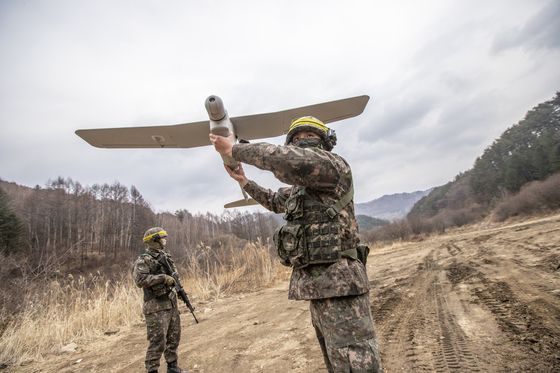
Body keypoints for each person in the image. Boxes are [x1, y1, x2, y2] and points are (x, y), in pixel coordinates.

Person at [210, 116, 383, 372]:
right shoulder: (304, 190)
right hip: (321, 289)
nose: (304, 143)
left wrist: (234, 149)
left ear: (322, 143)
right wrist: (245, 182)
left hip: (342, 288)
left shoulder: (332, 167)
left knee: (356, 365)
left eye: (308, 138)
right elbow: (275, 200)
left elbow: (287, 160)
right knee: (340, 364)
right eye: (299, 139)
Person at [133, 227, 188, 373]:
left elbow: (174, 276)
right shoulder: (143, 259)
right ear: (154, 241)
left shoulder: (165, 256)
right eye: (162, 237)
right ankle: (152, 370)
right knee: (157, 342)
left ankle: (173, 367)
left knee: (173, 337)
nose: (165, 240)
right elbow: (140, 280)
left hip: (170, 303)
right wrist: (162, 278)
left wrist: (179, 289)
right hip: (155, 307)